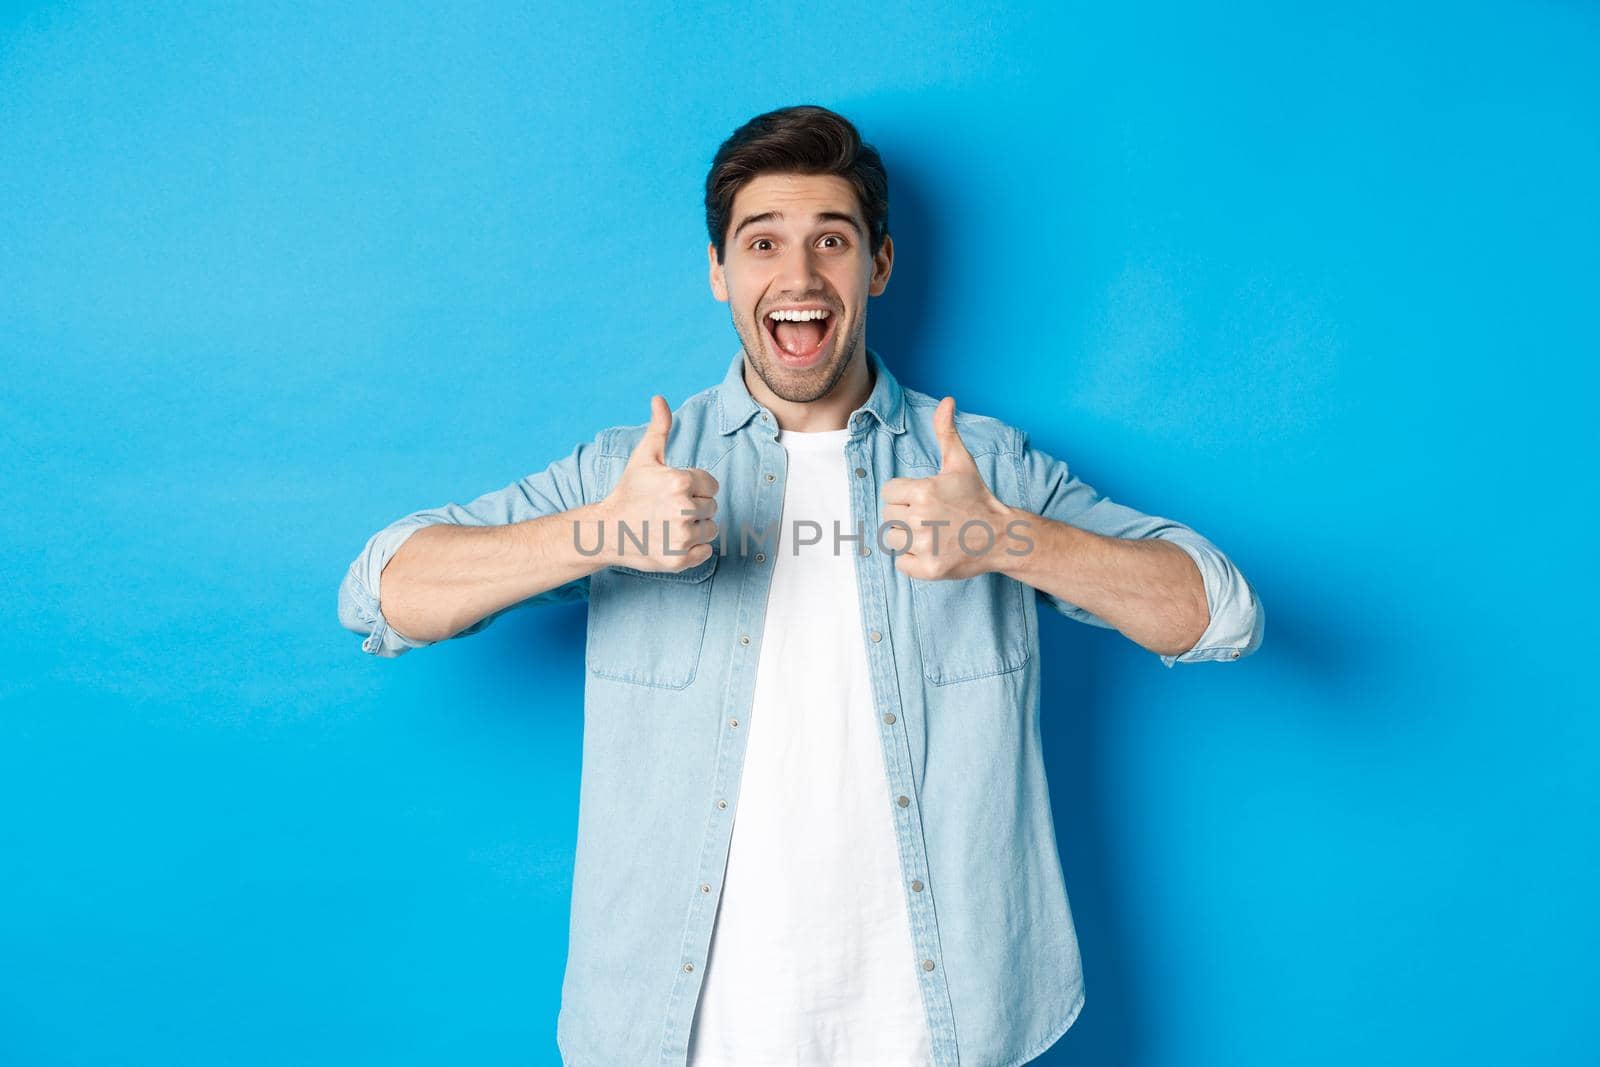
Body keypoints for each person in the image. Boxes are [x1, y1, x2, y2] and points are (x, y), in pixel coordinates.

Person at [338, 103, 1264, 1067]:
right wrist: (599, 531)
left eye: (832, 239)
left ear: (879, 265)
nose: (798, 276)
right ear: (718, 272)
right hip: (681, 1032)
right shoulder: (634, 470)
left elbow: (1219, 611)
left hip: (944, 1027)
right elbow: (384, 589)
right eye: (762, 242)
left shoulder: (981, 468)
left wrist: (1008, 537)